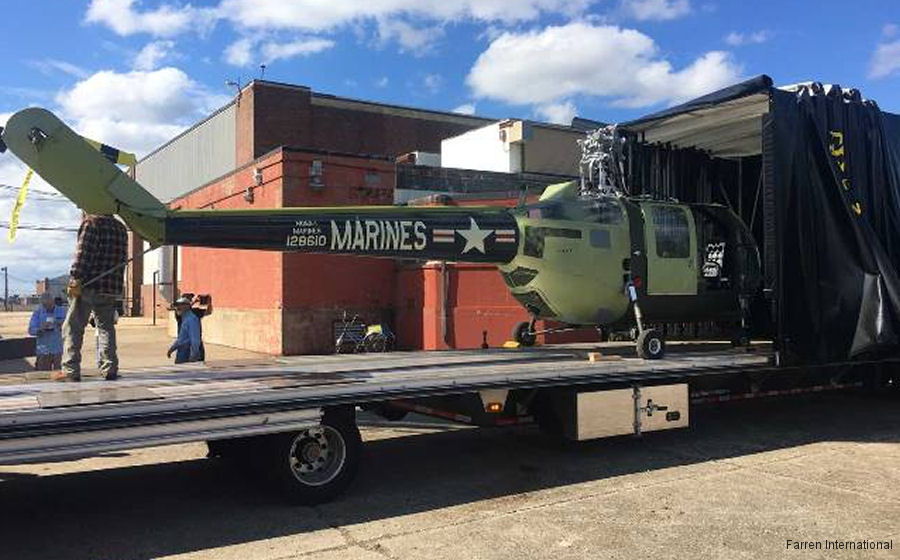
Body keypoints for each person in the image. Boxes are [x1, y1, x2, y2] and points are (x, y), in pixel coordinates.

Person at [55, 214, 128, 382]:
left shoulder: (91, 223)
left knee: (73, 326)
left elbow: (83, 255)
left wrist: (75, 278)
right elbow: (122, 259)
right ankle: (109, 367)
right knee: (105, 328)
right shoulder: (120, 227)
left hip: (89, 285)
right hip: (110, 288)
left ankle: (70, 370)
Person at [28, 292, 66, 370]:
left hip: (58, 349)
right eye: (45, 305)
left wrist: (61, 323)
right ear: (42, 304)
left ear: (53, 302)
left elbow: (71, 325)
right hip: (43, 350)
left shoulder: (63, 311)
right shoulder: (37, 313)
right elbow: (31, 330)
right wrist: (40, 329)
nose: (48, 307)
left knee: (60, 375)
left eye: (50, 305)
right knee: (43, 376)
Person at [168, 296, 203, 364]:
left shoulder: (191, 319)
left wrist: (193, 355)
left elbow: (195, 339)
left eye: (180, 306)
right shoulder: (184, 318)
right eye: (176, 306)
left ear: (187, 306)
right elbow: (181, 339)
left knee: (184, 373)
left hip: (187, 352)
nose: (177, 308)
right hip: (181, 352)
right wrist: (172, 349)